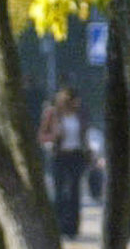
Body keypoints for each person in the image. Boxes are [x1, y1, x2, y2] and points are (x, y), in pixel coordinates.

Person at [37, 85, 90, 237]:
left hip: (76, 155)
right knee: (60, 193)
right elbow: (41, 136)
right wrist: (54, 136)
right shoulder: (52, 114)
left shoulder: (80, 115)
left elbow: (86, 134)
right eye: (72, 100)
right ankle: (59, 226)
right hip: (59, 156)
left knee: (74, 192)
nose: (75, 103)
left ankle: (72, 228)